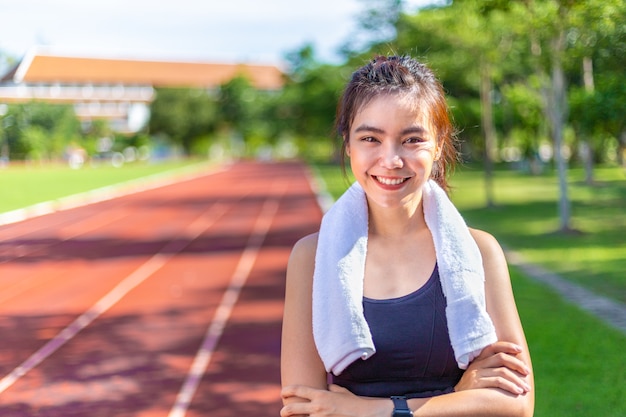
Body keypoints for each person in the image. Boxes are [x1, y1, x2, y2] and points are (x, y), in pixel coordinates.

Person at [280, 55, 534, 417]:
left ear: (439, 143)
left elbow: (518, 403)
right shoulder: (312, 257)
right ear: (348, 143)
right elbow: (303, 409)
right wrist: (457, 397)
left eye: (411, 139)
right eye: (371, 138)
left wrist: (370, 410)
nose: (391, 159)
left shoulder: (479, 251)